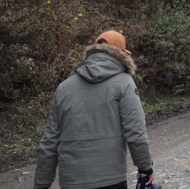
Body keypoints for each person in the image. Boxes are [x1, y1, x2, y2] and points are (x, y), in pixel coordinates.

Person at [34, 30, 155, 189]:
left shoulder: (64, 88)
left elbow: (49, 141)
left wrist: (42, 184)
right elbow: (135, 131)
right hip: (111, 180)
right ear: (121, 54)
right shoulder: (124, 83)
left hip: (71, 182)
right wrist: (145, 168)